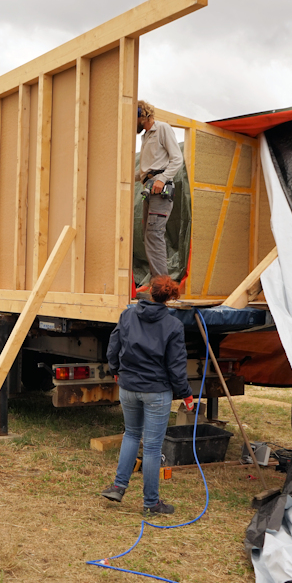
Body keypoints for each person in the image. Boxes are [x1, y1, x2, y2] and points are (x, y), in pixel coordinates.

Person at [101, 275, 193, 515]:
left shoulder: (128, 314)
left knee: (131, 434)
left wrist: (115, 370)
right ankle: (151, 503)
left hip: (128, 387)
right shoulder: (174, 325)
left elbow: (113, 346)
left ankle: (119, 487)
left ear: (149, 291)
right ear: (170, 297)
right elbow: (176, 365)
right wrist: (186, 394)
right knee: (152, 448)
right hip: (156, 391)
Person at [136, 100, 184, 279]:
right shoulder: (145, 136)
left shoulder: (162, 128)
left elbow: (177, 159)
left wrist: (163, 179)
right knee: (149, 236)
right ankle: (157, 282)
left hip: (160, 190)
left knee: (155, 235)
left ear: (142, 115)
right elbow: (147, 170)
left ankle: (162, 286)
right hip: (149, 188)